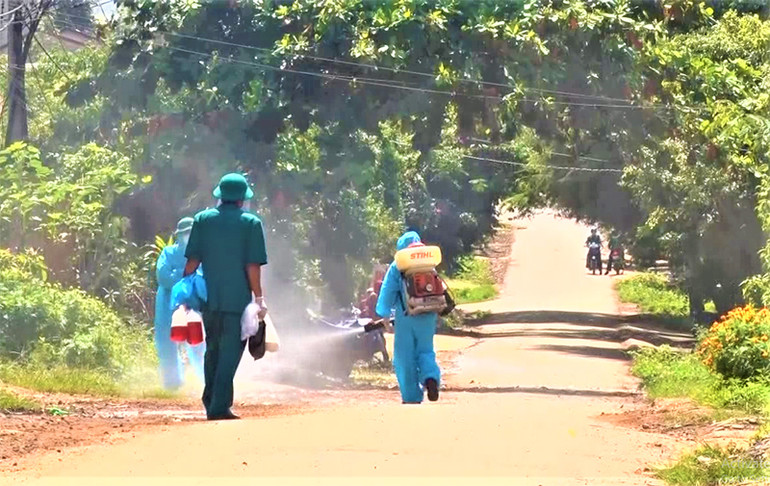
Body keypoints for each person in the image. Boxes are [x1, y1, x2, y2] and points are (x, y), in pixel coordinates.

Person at [183, 173, 268, 420]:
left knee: (213, 349)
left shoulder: (202, 220)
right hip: (237, 301)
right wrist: (259, 298)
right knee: (230, 352)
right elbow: (253, 266)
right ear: (242, 199)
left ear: (220, 196)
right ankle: (219, 406)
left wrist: (186, 292)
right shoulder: (251, 224)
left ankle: (211, 399)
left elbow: (192, 262)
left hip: (209, 299)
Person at [375, 231, 441, 404]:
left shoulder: (399, 264)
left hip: (406, 316)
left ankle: (411, 396)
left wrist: (384, 314)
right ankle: (430, 378)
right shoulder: (428, 261)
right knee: (425, 350)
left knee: (404, 357)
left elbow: (388, 290)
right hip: (428, 315)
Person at [153, 217, 205, 390]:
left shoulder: (202, 254)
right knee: (167, 341)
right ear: (179, 235)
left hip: (194, 304)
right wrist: (187, 277)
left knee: (199, 340)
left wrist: (179, 274)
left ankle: (206, 381)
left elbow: (206, 278)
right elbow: (163, 276)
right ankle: (172, 383)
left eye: (191, 233)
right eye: (185, 234)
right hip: (167, 304)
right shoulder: (168, 253)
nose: (188, 237)